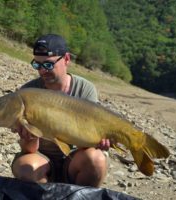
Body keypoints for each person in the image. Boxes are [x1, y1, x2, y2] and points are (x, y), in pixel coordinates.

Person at [11, 34, 110, 187]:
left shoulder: (85, 89)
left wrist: (98, 141)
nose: (43, 71)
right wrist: (29, 137)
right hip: (41, 156)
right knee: (25, 169)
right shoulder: (28, 92)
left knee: (96, 159)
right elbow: (29, 150)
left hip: (73, 159)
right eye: (37, 65)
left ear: (66, 59)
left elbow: (87, 143)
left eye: (49, 65)